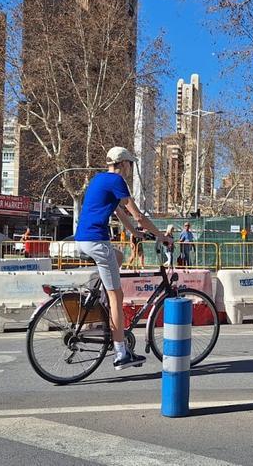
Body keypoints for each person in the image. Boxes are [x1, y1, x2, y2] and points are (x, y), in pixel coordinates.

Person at [75, 146, 172, 370]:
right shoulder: (118, 181)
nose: (130, 169)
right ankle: (121, 354)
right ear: (124, 164)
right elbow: (137, 215)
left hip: (83, 239)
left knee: (117, 256)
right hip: (97, 241)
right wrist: (161, 236)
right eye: (130, 164)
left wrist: (135, 233)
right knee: (117, 298)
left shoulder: (99, 179)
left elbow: (119, 211)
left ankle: (99, 299)